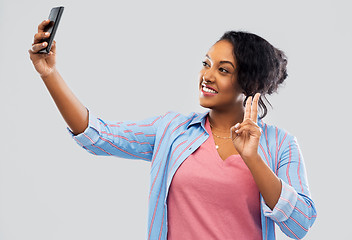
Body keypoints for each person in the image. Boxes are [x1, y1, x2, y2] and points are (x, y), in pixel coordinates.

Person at [29, 19, 317, 240]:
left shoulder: (281, 145)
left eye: (223, 70)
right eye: (206, 64)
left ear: (250, 83)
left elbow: (300, 224)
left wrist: (253, 159)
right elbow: (97, 135)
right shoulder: (171, 130)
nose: (207, 75)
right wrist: (49, 73)